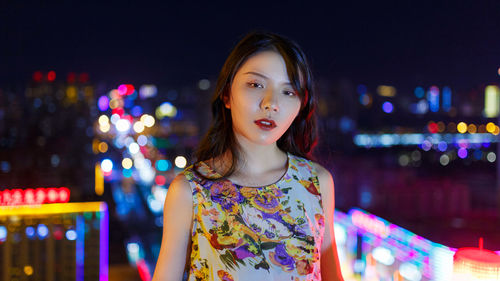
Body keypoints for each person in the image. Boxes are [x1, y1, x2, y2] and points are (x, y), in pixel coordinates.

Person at [152, 31, 344, 281]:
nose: (271, 103)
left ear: (300, 106)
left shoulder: (316, 183)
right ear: (226, 94)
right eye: (256, 85)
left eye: (288, 92)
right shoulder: (191, 191)